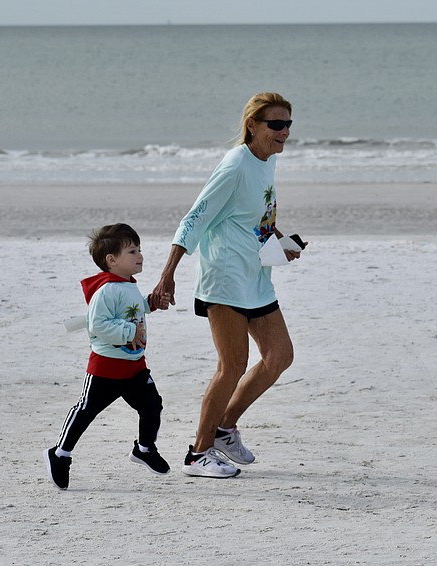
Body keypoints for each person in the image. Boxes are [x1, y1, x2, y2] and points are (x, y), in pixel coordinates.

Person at [153, 92, 304, 478]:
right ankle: (197, 453)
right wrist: (168, 272)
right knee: (232, 364)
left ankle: (224, 428)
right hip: (224, 279)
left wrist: (280, 241)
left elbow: (257, 217)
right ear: (252, 125)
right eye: (276, 124)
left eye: (288, 124)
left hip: (255, 277)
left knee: (279, 356)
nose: (284, 132)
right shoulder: (236, 165)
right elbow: (194, 218)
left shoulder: (265, 161)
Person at [44, 223, 171, 490]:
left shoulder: (127, 285)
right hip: (106, 368)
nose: (140, 255)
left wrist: (150, 303)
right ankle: (60, 454)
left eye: (140, 249)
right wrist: (128, 331)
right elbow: (98, 324)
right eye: (132, 251)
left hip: (135, 367)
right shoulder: (106, 290)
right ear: (111, 260)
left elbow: (132, 310)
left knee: (152, 406)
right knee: (85, 411)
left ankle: (145, 449)